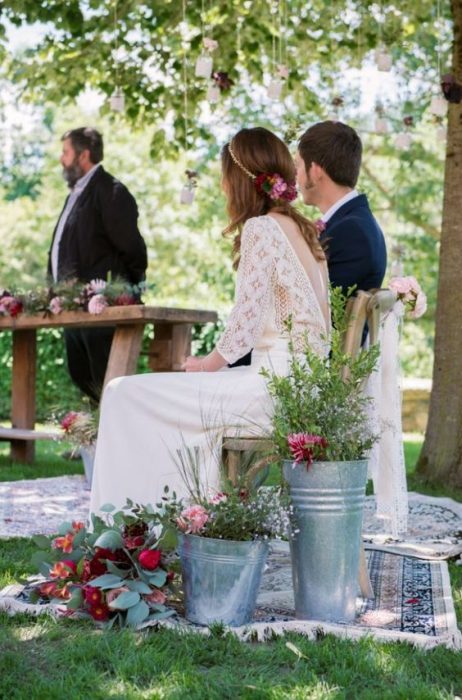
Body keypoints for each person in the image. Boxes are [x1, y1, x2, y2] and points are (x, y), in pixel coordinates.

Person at [90, 127, 330, 516]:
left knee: (121, 393)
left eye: (223, 176)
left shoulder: (262, 228)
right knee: (158, 396)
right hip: (299, 386)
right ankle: (172, 521)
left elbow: (245, 325)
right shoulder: (303, 231)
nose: (221, 186)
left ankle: (125, 529)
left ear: (239, 179)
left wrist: (206, 365)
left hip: (271, 392)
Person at [47, 127, 148, 403]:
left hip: (102, 311)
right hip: (74, 308)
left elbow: (133, 249)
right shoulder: (76, 194)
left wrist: (120, 291)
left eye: (66, 152)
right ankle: (98, 440)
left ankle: (119, 441)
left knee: (108, 381)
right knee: (82, 376)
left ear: (84, 155)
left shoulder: (111, 191)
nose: (61, 159)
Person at [296, 120, 387, 295]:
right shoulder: (355, 222)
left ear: (315, 170)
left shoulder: (351, 231)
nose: (295, 176)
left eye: (297, 165)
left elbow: (314, 308)